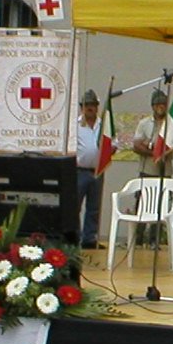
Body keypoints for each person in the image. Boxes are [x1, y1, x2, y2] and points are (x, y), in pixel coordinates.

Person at [75, 90, 106, 248]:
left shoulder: (104, 124)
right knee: (75, 206)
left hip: (97, 171)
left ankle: (89, 239)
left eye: (93, 105)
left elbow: (112, 143)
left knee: (94, 208)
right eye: (87, 105)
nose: (90, 108)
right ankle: (74, 236)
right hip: (79, 171)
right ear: (82, 107)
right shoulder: (76, 125)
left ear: (97, 107)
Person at [132, 89, 173, 179]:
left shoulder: (172, 124)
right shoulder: (144, 123)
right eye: (157, 104)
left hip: (165, 172)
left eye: (163, 104)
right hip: (146, 171)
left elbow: (172, 144)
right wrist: (154, 153)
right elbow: (136, 146)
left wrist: (149, 146)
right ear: (152, 106)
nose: (161, 107)